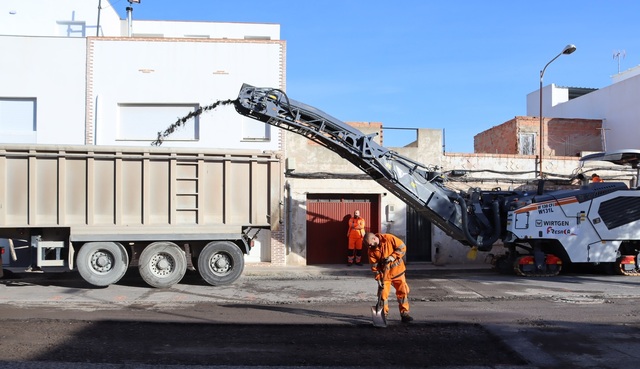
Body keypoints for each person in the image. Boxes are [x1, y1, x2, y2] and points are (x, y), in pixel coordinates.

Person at [364, 232, 413, 323]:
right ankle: (383, 315)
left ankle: (404, 314)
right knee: (382, 295)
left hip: (398, 272)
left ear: (374, 239)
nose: (369, 247)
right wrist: (378, 278)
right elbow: (374, 267)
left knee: (402, 293)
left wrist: (393, 257)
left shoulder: (389, 238)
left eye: (369, 244)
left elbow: (402, 247)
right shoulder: (371, 250)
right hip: (385, 276)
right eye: (367, 246)